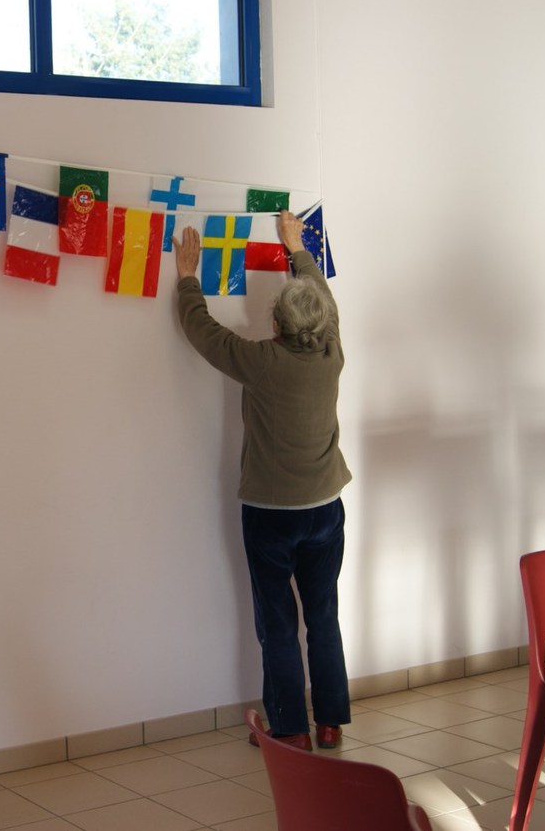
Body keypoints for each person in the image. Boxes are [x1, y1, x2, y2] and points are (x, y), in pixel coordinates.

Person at [173, 211, 352, 751]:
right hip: (326, 509)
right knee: (323, 616)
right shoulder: (332, 351)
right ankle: (329, 723)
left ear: (276, 325)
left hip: (271, 516)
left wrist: (188, 278)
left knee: (277, 623)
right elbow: (324, 300)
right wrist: (297, 248)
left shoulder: (261, 360)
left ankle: (290, 731)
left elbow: (203, 332)